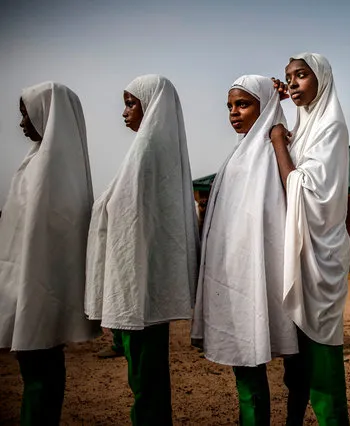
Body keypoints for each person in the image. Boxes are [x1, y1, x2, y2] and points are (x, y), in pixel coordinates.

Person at [85, 74, 199, 426]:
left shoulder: (148, 153)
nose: (124, 111)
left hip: (141, 282)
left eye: (131, 103)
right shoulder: (147, 151)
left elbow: (133, 218)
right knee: (143, 370)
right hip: (139, 280)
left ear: (151, 106)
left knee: (145, 373)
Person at [191, 75, 298, 425]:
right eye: (230, 106)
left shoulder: (274, 153)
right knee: (244, 366)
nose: (234, 113)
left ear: (265, 105)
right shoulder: (236, 158)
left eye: (243, 104)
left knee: (284, 368)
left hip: (264, 275)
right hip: (233, 278)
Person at [0, 82, 100, 425]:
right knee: (38, 370)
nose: (21, 123)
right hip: (26, 287)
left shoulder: (50, 170)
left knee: (41, 370)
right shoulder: (38, 163)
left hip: (40, 291)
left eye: (26, 114)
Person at [270, 53, 350, 425]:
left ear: (321, 79)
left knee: (321, 357)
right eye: (289, 78)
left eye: (302, 76)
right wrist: (278, 112)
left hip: (321, 254)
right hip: (300, 250)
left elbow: (301, 187)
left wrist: (277, 142)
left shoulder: (330, 126)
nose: (293, 83)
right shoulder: (304, 126)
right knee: (298, 360)